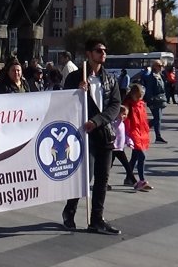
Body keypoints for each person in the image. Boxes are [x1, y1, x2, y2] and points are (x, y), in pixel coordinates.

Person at [61, 38, 122, 235]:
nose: (102, 53)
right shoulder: (75, 78)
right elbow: (63, 103)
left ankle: (97, 219)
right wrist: (77, 93)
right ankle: (69, 211)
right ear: (89, 54)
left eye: (104, 50)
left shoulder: (110, 79)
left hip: (104, 134)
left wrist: (97, 121)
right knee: (83, 177)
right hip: (82, 135)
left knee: (102, 178)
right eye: (98, 50)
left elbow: (115, 105)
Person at [124, 84, 153, 191]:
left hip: (141, 132)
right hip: (133, 132)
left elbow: (144, 120)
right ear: (133, 94)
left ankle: (128, 177)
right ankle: (142, 180)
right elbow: (125, 119)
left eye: (141, 96)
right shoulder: (128, 104)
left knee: (135, 157)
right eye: (139, 96)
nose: (140, 98)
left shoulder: (141, 104)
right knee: (142, 156)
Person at [111, 105, 137, 188]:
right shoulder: (114, 123)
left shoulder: (122, 124)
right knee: (109, 166)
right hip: (113, 148)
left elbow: (124, 135)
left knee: (127, 165)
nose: (125, 116)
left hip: (120, 148)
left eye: (126, 114)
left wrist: (129, 142)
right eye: (123, 114)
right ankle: (134, 182)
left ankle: (134, 182)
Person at [143, 60, 168, 144]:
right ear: (154, 66)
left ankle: (158, 136)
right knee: (157, 118)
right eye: (159, 66)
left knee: (158, 119)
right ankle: (144, 129)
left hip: (160, 100)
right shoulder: (152, 77)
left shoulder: (160, 75)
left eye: (161, 66)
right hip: (154, 100)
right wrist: (150, 101)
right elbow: (149, 90)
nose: (161, 67)